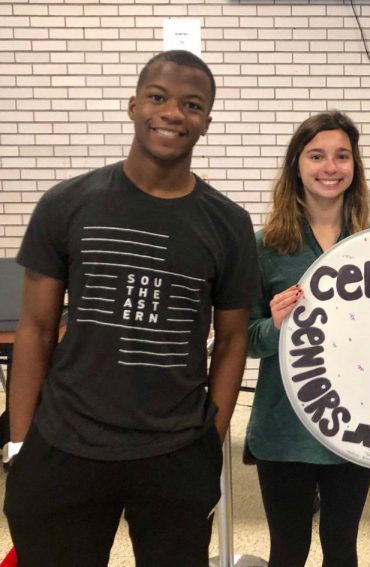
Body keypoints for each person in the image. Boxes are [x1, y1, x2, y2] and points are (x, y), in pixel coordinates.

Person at [2, 50, 259, 566]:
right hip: (66, 444)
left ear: (206, 121)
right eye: (158, 97)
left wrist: (209, 440)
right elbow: (34, 329)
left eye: (192, 104)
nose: (172, 113)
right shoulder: (67, 203)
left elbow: (232, 341)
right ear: (133, 105)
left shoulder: (228, 224)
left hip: (175, 451)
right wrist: (21, 445)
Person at [245, 111, 370, 567]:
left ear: (354, 167)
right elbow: (243, 338)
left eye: (342, 156)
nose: (330, 167)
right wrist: (274, 324)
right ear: (296, 165)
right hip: (284, 430)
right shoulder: (264, 246)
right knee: (288, 550)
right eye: (317, 155)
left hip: (355, 426)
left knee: (343, 549)